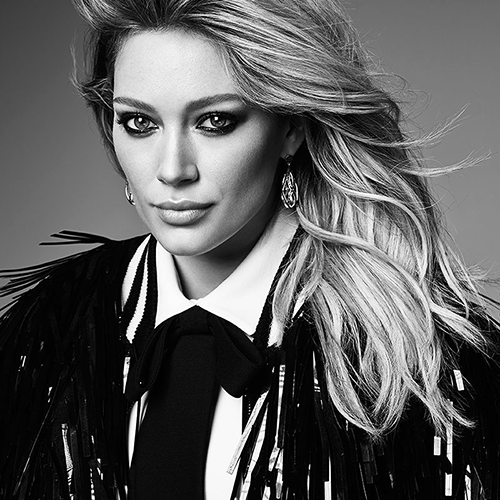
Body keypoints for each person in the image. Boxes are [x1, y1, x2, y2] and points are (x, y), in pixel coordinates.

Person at [1, 0, 499, 498]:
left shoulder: (417, 360)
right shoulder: (43, 334)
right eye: (139, 123)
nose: (172, 170)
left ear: (291, 128)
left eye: (215, 121)